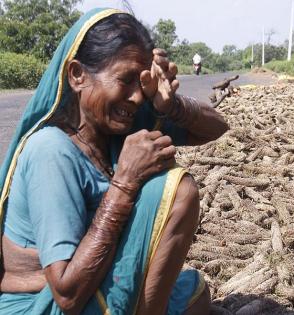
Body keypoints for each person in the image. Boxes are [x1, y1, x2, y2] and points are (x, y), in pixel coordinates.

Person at [0, 8, 229, 315]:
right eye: (126, 80)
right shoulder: (51, 151)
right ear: (78, 75)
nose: (136, 97)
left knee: (195, 294)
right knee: (176, 190)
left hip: (92, 283)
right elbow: (67, 295)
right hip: (45, 305)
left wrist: (170, 104)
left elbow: (217, 127)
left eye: (142, 82)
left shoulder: (117, 124)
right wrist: (124, 183)